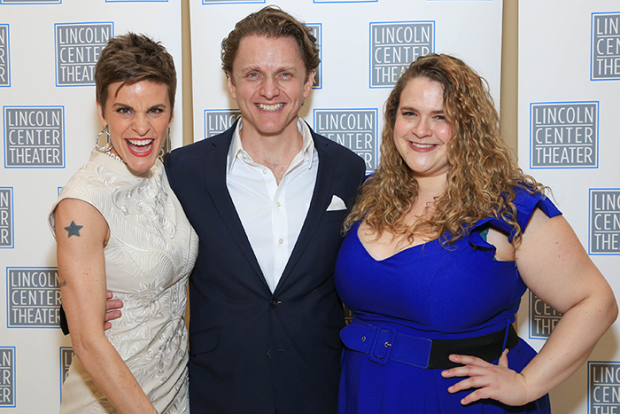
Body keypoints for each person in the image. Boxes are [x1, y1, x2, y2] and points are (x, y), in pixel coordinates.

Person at [101, 6, 365, 413]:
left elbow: (374, 269)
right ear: (230, 82)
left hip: (320, 390)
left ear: (310, 80)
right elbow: (130, 248)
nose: (269, 90)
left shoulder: (348, 170)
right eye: (253, 74)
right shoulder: (183, 171)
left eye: (285, 74)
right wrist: (86, 305)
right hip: (218, 393)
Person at [334, 53, 617, 413]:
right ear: (393, 121)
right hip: (365, 391)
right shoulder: (369, 195)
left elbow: (596, 302)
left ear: (468, 127)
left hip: (459, 402)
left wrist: (527, 383)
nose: (422, 130)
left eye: (441, 117)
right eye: (410, 114)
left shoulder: (508, 207)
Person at [49, 33, 197, 413]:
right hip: (112, 402)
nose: (142, 128)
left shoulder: (165, 173)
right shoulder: (81, 205)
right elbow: (87, 342)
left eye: (155, 110)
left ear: (171, 111)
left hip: (174, 392)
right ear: (101, 110)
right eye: (124, 110)